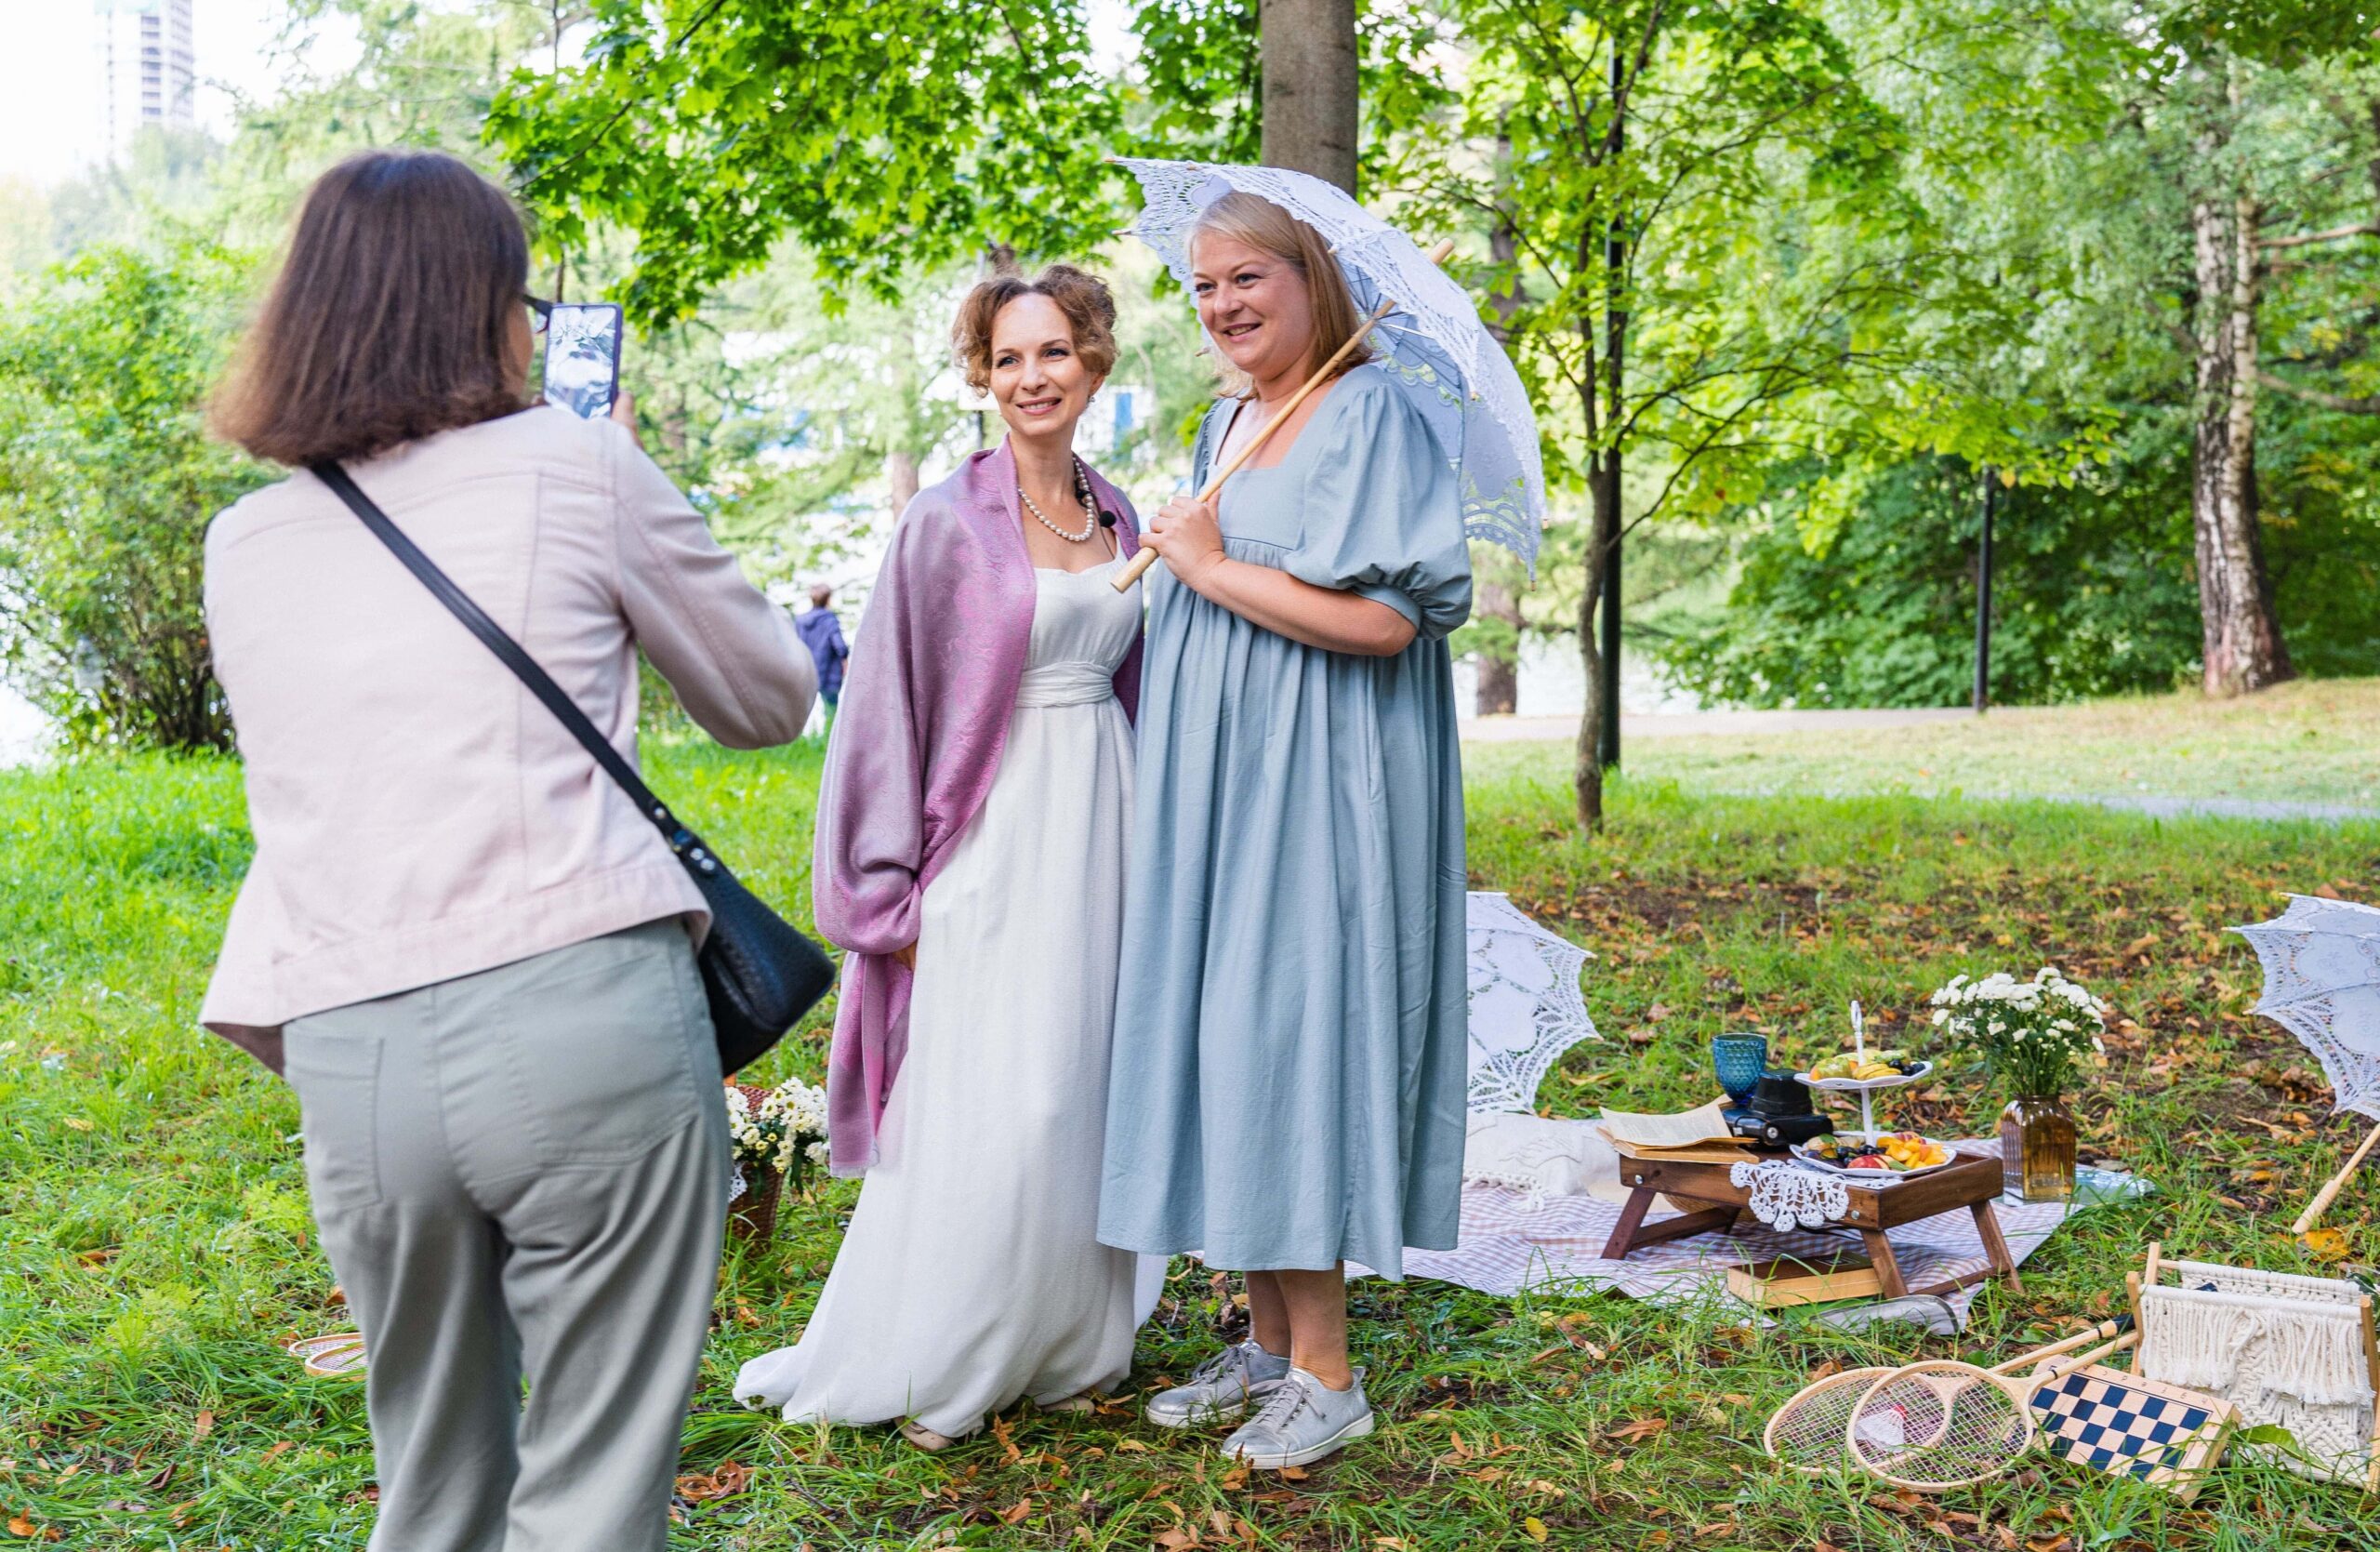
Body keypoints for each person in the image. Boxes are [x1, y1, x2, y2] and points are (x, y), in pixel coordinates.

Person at [201, 149, 815, 1552]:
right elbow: (769, 697)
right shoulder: (574, 463)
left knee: (430, 1486)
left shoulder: (245, 541)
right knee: (591, 1488)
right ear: (487, 303)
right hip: (574, 1001)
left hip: (348, 1049)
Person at [734, 265, 1159, 1450]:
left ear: (1094, 365)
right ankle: (951, 1345)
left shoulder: (1124, 514)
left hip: (1105, 822)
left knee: (1080, 1083)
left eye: (1055, 354)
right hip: (991, 829)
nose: (1032, 377)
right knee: (995, 1090)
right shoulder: (943, 521)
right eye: (1009, 356)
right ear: (982, 372)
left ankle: (1069, 1340)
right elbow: (883, 710)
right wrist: (882, 884)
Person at [1098, 191, 1474, 1469]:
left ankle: (1327, 1370)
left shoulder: (1369, 412)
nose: (1222, 305)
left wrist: (1208, 567)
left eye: (1248, 277)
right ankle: (1263, 1345)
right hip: (1220, 782)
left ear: (1311, 278)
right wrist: (1194, 542)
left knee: (1286, 1036)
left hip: (1318, 779)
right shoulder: (1228, 420)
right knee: (1223, 1030)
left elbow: (1387, 622)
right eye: (1203, 286)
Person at [795, 582, 849, 718]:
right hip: (829, 672)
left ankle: (805, 738)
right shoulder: (830, 619)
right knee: (831, 712)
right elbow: (840, 646)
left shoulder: (799, 621)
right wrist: (844, 659)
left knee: (802, 712)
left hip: (805, 672)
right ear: (828, 599)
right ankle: (828, 738)